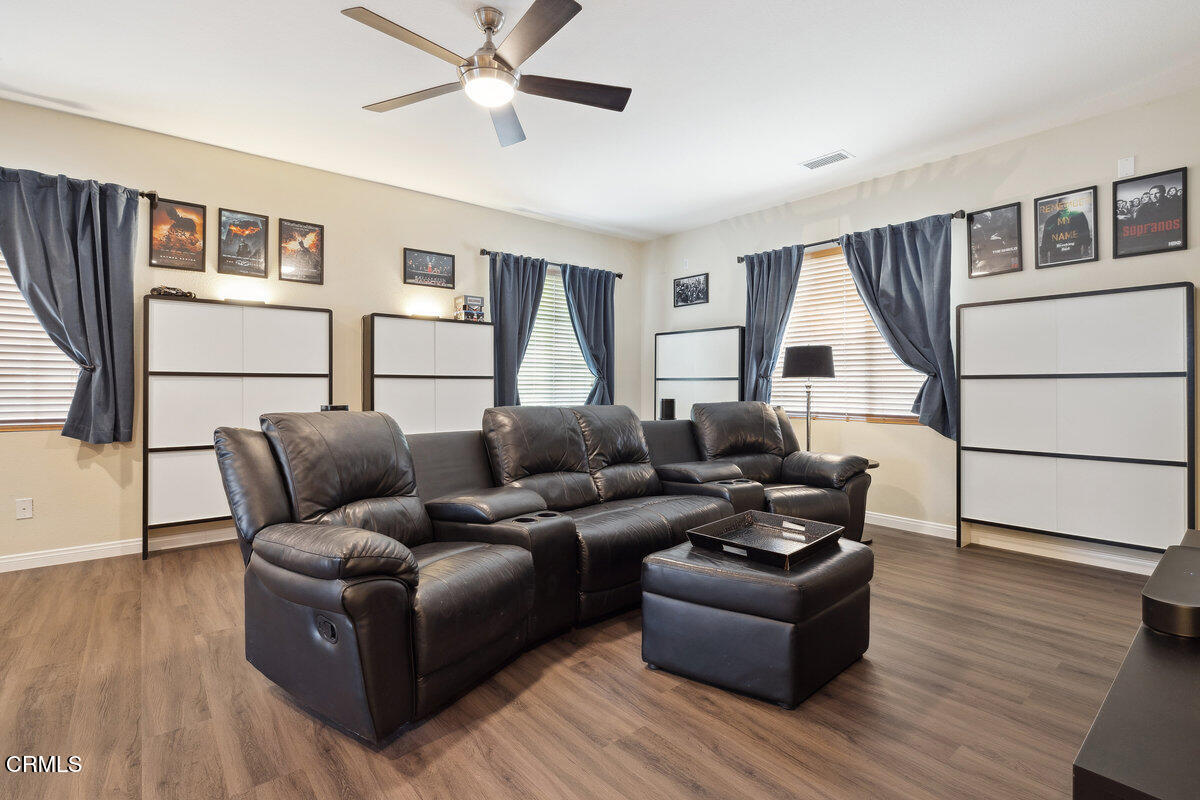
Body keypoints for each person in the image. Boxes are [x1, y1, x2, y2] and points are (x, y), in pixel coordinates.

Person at [1039, 195, 1093, 264]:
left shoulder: (1079, 215)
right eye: (1062, 204)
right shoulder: (1050, 220)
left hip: (1074, 255)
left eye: (1066, 204)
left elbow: (1085, 233)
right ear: (1058, 205)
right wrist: (1044, 260)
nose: (1064, 206)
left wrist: (1086, 250)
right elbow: (1045, 241)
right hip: (1056, 258)